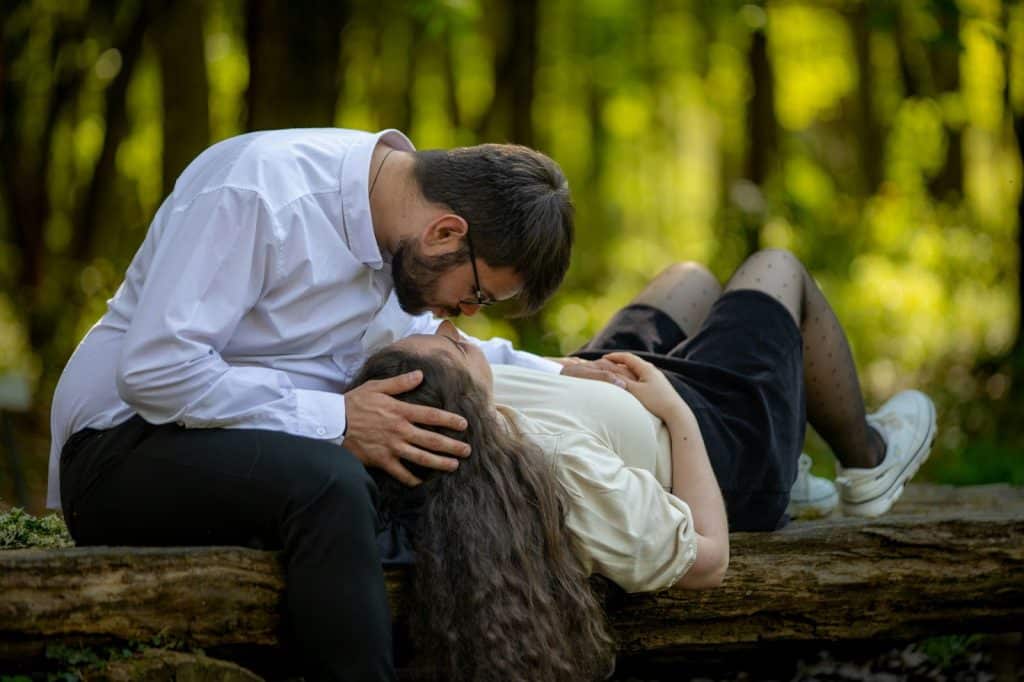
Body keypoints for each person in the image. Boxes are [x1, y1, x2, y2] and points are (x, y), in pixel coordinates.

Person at [46, 127, 621, 681]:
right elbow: (156, 370)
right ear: (445, 233)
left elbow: (438, 345)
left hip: (237, 455)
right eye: (475, 296)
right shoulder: (259, 191)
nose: (467, 313)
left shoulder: (397, 234)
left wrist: (561, 370)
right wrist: (340, 419)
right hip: (118, 449)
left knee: (443, 462)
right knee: (332, 484)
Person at [356, 248, 936, 680]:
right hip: (715, 442)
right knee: (778, 269)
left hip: (628, 392)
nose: (457, 330)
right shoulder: (562, 469)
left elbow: (494, 371)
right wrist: (675, 412)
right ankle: (868, 462)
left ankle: (794, 461)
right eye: (455, 346)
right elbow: (708, 560)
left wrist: (565, 370)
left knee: (690, 278)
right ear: (459, 411)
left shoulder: (470, 407)